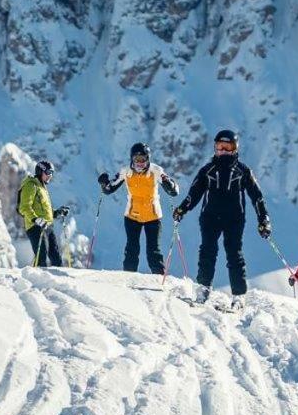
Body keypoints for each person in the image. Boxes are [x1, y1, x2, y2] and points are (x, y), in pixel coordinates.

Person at [173, 129, 271, 311]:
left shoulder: (243, 171)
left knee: (234, 254)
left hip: (234, 219)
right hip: (210, 217)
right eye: (220, 147)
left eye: (228, 147)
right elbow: (193, 194)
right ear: (215, 148)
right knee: (207, 251)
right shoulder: (207, 170)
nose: (224, 151)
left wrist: (263, 219)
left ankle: (239, 296)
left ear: (235, 149)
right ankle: (203, 289)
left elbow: (257, 197)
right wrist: (182, 209)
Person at [97, 142, 180, 274]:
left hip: (153, 217)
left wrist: (169, 184)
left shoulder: (156, 171)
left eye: (143, 159)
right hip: (132, 216)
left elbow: (175, 191)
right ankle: (128, 277)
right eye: (137, 159)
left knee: (153, 251)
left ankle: (159, 278)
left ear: (148, 159)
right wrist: (104, 183)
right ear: (132, 159)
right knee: (131, 248)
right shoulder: (126, 172)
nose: (140, 163)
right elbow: (110, 188)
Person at [18, 160, 70, 266]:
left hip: (47, 225)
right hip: (35, 226)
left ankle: (60, 279)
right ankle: (38, 279)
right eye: (48, 172)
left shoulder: (42, 188)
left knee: (55, 255)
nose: (50, 176)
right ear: (40, 171)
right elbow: (24, 207)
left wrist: (58, 212)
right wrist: (36, 219)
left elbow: (46, 212)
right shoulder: (31, 185)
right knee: (41, 256)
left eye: (52, 173)